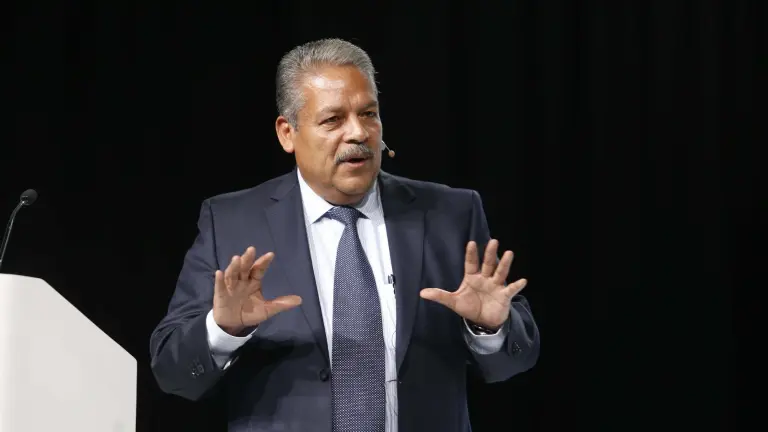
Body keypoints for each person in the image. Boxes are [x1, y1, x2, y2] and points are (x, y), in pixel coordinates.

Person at [149, 38, 540, 432]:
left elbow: (514, 361)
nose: (358, 133)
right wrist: (223, 330)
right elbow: (172, 373)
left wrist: (490, 329)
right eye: (333, 120)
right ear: (287, 133)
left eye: (368, 114)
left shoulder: (449, 214)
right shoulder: (232, 222)